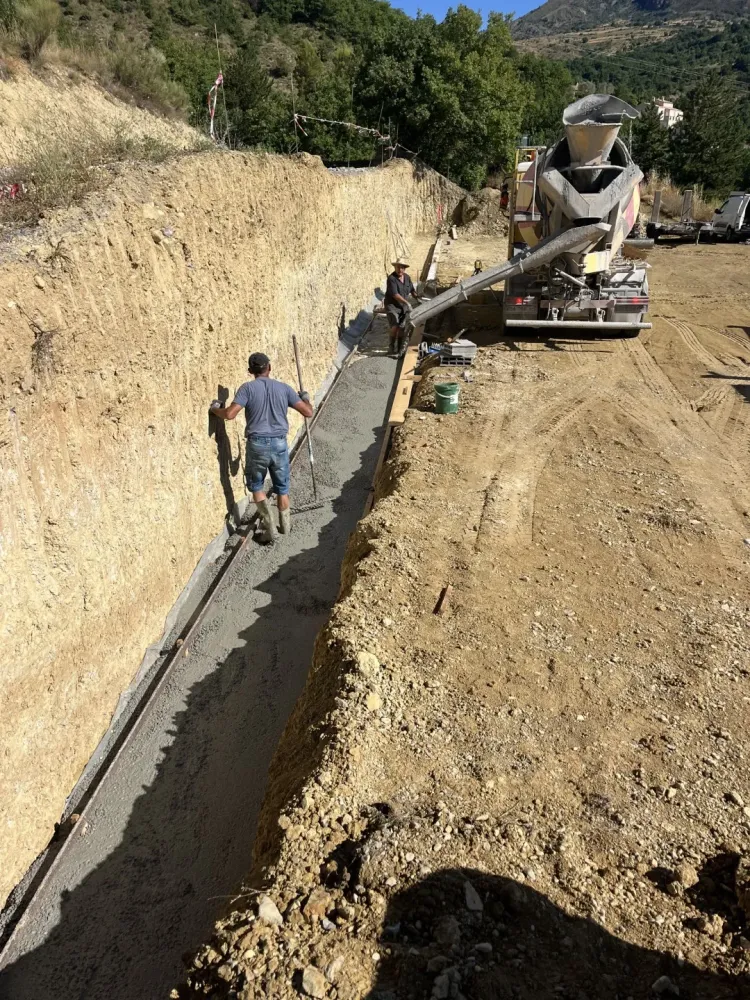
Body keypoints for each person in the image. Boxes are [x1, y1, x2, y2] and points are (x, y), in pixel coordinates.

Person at [209, 352, 313, 543]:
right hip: (280, 442)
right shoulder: (284, 389)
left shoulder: (247, 389)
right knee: (282, 487)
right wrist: (305, 397)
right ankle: (286, 526)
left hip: (257, 444)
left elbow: (230, 414)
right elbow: (308, 411)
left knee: (256, 485)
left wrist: (215, 408)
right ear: (269, 368)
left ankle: (270, 525)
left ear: (250, 371)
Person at [384, 257, 419, 357]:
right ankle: (391, 348)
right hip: (392, 306)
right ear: (395, 267)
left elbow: (412, 290)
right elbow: (395, 294)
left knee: (402, 327)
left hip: (402, 307)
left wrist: (417, 297)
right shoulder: (391, 279)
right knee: (395, 326)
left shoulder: (407, 277)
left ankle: (399, 349)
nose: (400, 270)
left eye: (402, 268)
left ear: (405, 269)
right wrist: (407, 303)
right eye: (398, 267)